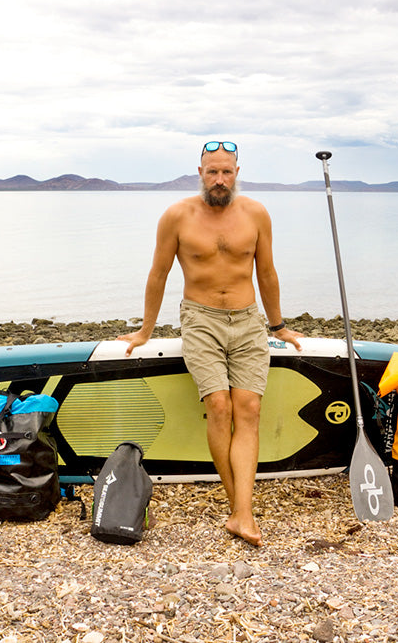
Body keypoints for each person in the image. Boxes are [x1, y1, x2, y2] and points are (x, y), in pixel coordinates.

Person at [119, 140, 303, 546]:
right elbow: (158, 274)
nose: (219, 179)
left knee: (249, 408)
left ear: (238, 172)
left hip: (248, 320)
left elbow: (267, 273)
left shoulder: (256, 214)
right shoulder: (177, 216)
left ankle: (241, 512)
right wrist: (144, 331)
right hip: (200, 320)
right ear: (199, 172)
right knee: (218, 406)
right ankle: (242, 510)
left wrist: (280, 327)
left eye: (227, 171)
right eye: (212, 171)